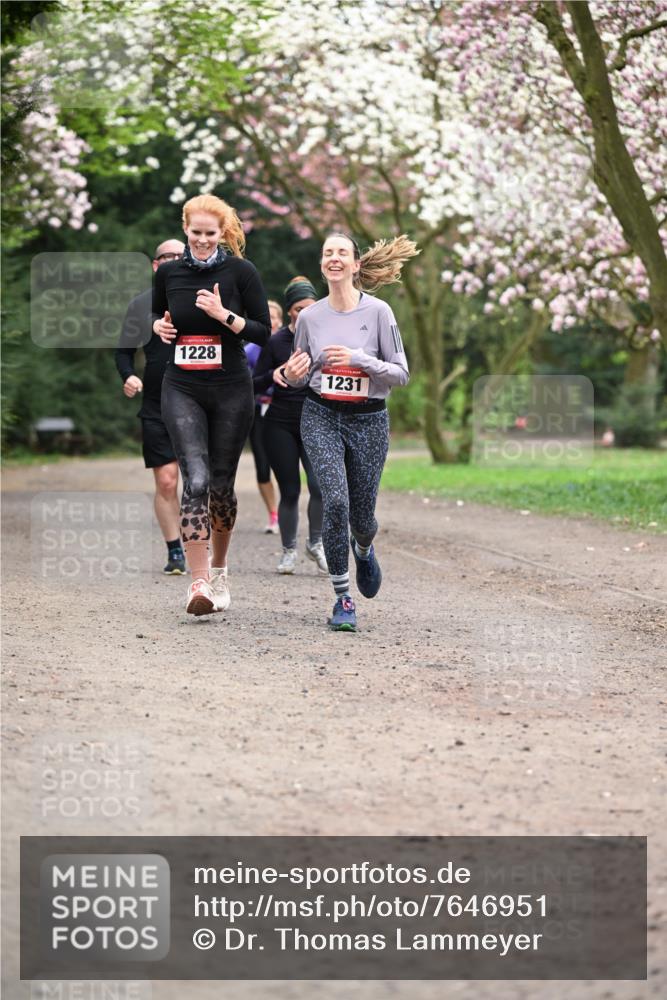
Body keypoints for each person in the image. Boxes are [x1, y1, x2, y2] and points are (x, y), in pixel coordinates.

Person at [283, 233, 419, 631]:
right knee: (335, 502)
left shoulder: (379, 313)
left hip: (369, 418)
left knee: (362, 516)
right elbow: (300, 373)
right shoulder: (309, 318)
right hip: (320, 415)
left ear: (356, 264)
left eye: (342, 252)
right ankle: (343, 597)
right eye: (328, 253)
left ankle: (364, 547)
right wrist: (294, 376)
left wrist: (360, 359)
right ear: (322, 264)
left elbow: (401, 373)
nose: (334, 258)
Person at [153, 194, 271, 616]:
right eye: (195, 233)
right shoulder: (167, 273)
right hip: (181, 384)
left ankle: (219, 571)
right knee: (196, 479)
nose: (202, 241)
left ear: (223, 233)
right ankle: (197, 583)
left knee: (221, 485)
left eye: (210, 234)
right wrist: (160, 326)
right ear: (185, 229)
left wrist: (224, 315)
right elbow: (157, 318)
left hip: (230, 388)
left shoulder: (241, 272)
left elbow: (263, 332)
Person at [114, 238, 186, 574]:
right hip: (156, 404)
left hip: (198, 402)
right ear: (155, 265)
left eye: (180, 256)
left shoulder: (203, 301)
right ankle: (175, 551)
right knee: (168, 482)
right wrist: (128, 376)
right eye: (167, 257)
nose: (173, 260)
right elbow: (123, 351)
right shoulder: (140, 305)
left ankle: (203, 545)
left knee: (201, 482)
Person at [253, 276, 327, 575]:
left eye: (310, 307)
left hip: (316, 421)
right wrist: (274, 373)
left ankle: (316, 543)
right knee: (291, 490)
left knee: (320, 487)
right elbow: (253, 381)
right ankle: (288, 551)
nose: (305, 313)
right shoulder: (275, 341)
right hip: (280, 423)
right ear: (290, 311)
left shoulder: (326, 337)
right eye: (298, 308)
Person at [244, 305, 279, 534]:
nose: (272, 321)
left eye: (275, 317)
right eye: (267, 318)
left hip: (285, 410)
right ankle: (273, 514)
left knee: (285, 465)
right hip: (258, 411)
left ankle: (288, 510)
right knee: (262, 468)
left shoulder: (293, 344)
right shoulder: (249, 351)